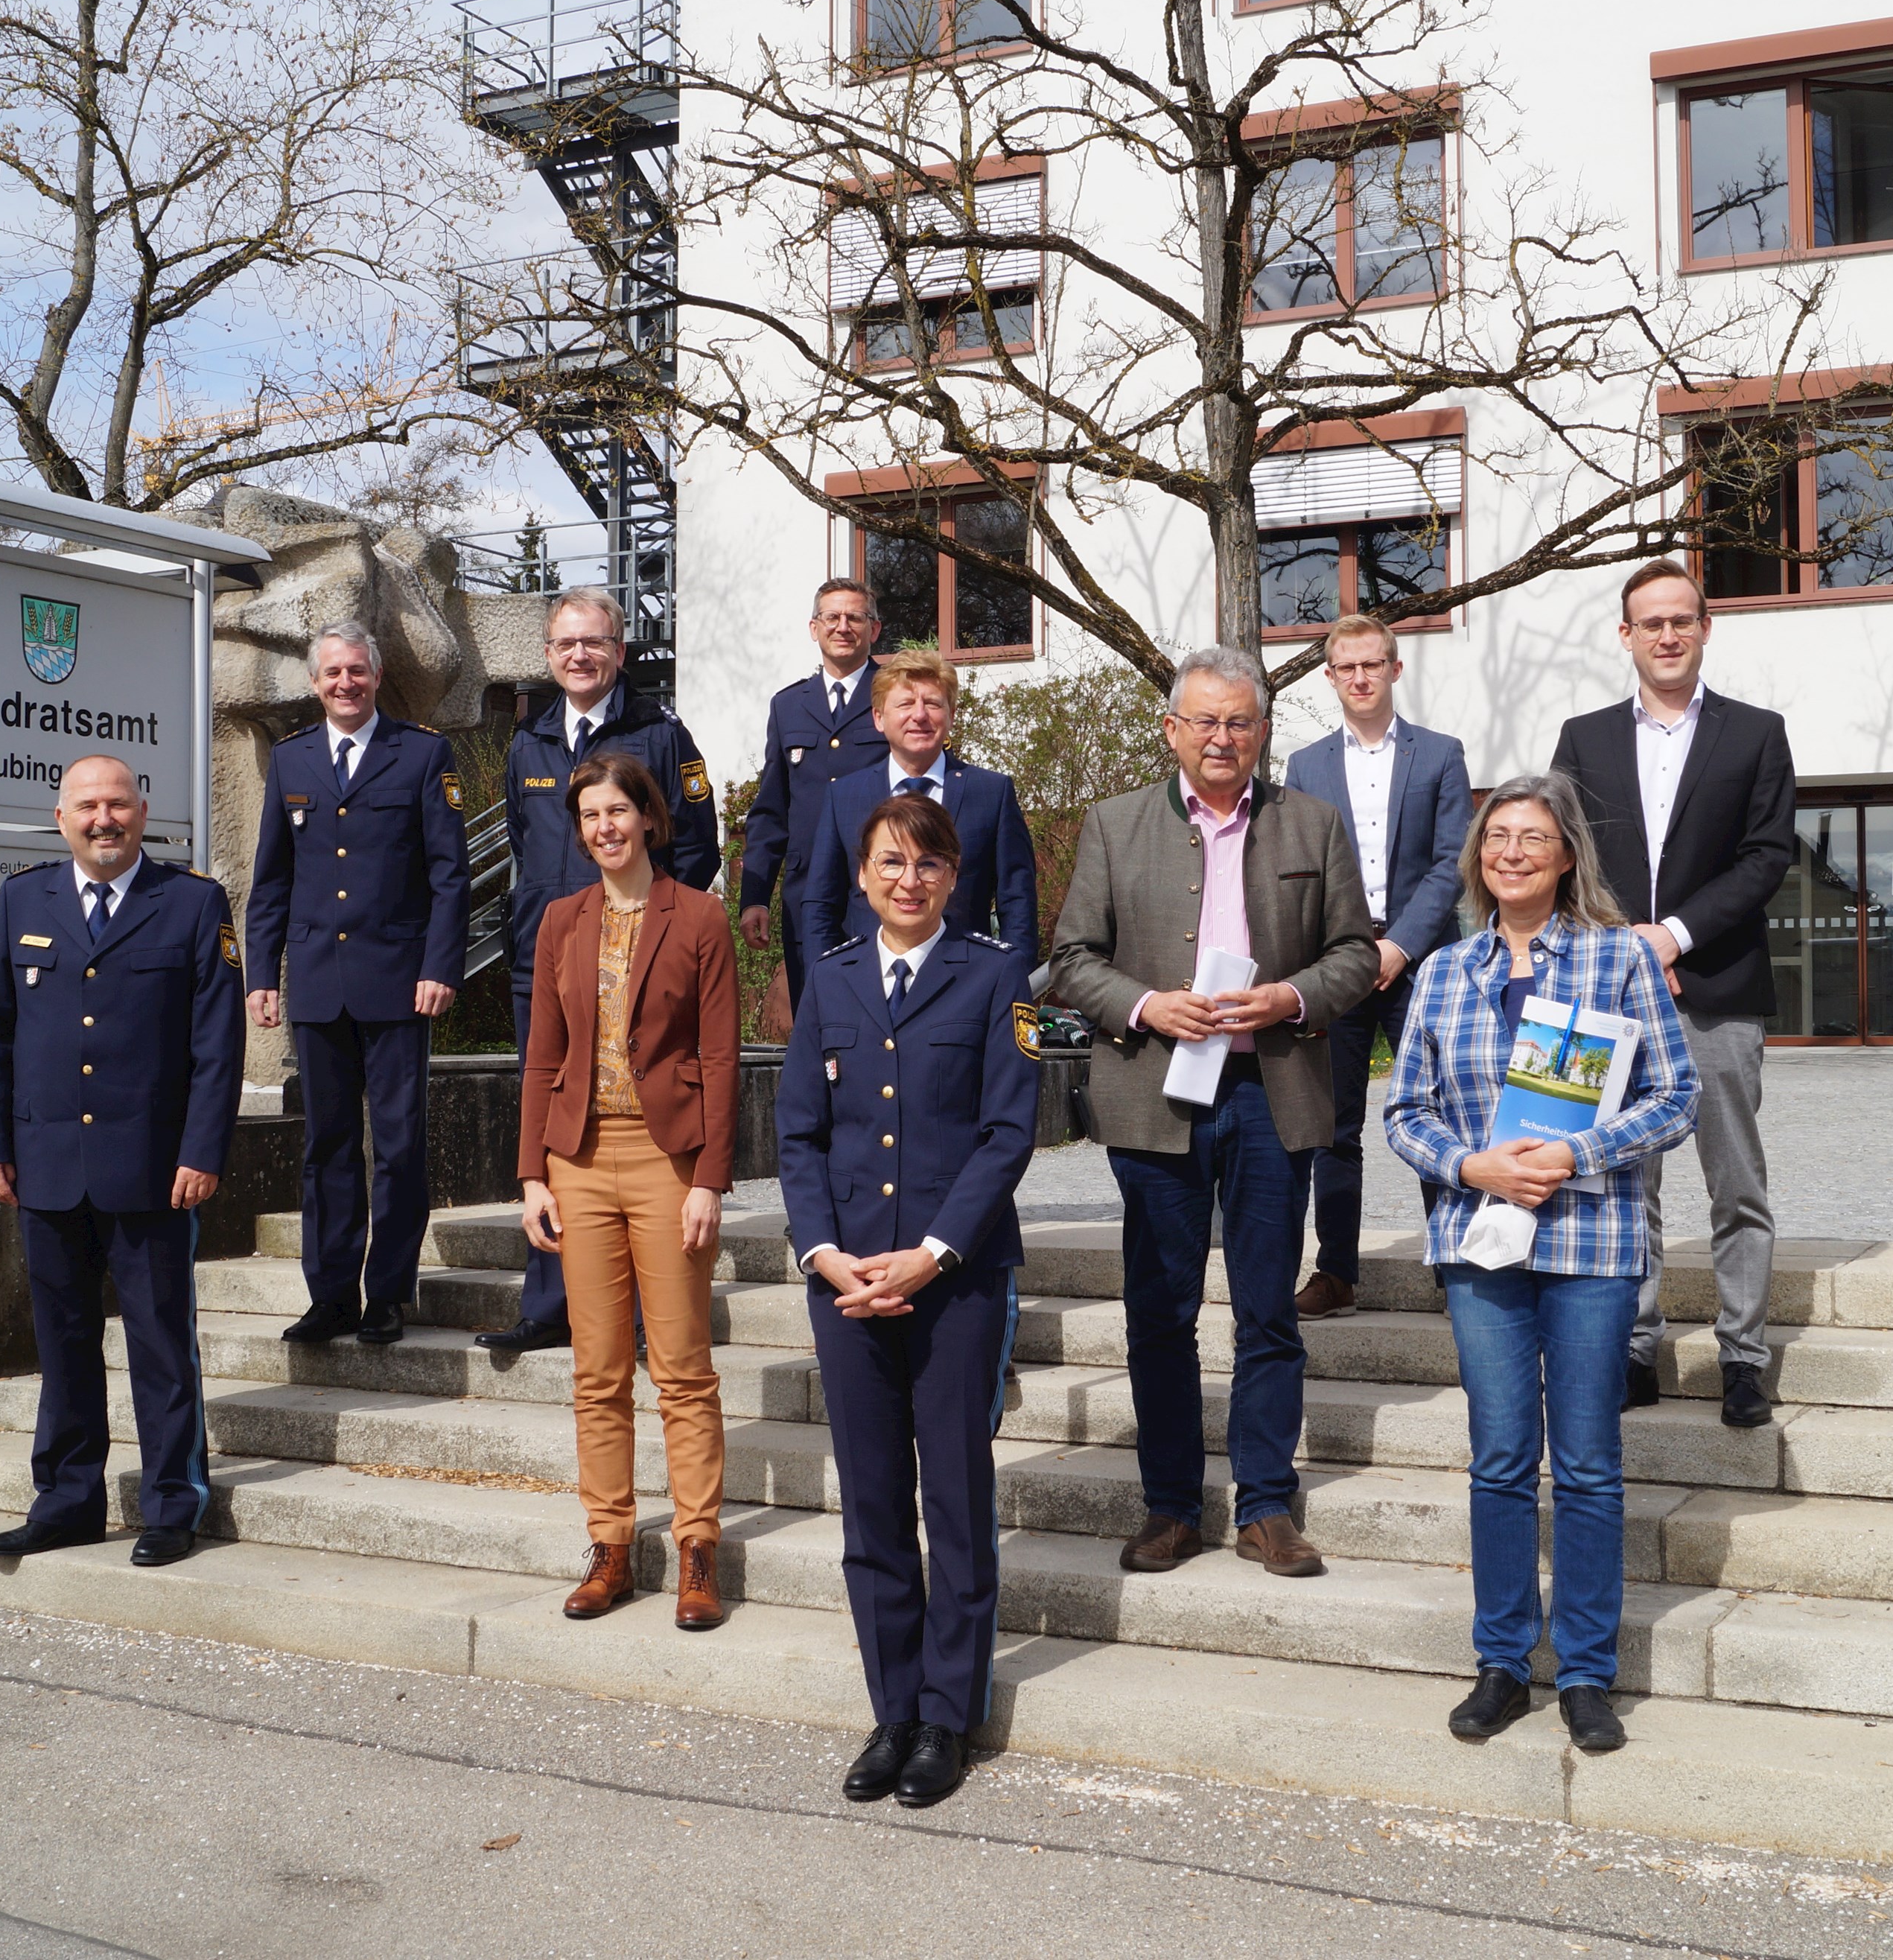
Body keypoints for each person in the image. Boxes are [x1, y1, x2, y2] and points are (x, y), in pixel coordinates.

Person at [1047, 646, 1378, 1577]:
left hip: (1273, 1092)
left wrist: (1291, 998)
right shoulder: (1114, 826)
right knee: (1160, 1311)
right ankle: (1171, 1507)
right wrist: (1148, 1004)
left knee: (1269, 1309)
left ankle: (1267, 1506)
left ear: (1263, 732)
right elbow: (1071, 957)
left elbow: (1356, 953)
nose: (1222, 737)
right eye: (1205, 721)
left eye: (1239, 721)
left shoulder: (1313, 825)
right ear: (1172, 730)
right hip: (1157, 1098)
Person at [1384, 773, 1696, 1756]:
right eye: (1497, 836)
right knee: (1502, 1460)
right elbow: (1404, 1110)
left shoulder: (1617, 960)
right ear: (1479, 855)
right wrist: (1469, 1161)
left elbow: (1676, 1094)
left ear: (1568, 857)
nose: (1512, 851)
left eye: (1535, 837)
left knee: (1592, 1466)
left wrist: (1579, 1151)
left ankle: (1590, 1670)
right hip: (1482, 1242)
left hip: (1591, 1235)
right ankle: (1503, 1659)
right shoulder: (1442, 972)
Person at [778, 792, 1040, 1810]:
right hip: (846, 1284)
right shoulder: (834, 980)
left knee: (956, 1501)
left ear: (953, 875)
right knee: (875, 1502)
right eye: (891, 861)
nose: (909, 878)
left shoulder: (996, 974)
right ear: (861, 873)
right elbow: (798, 1132)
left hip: (955, 1279)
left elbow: (1008, 1131)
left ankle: (948, 1713)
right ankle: (892, 1706)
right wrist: (825, 1252)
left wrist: (931, 1253)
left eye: (928, 863)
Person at [0, 755, 244, 1569]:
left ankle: (171, 1504)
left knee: (160, 1343)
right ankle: (67, 1501)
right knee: (63, 1344)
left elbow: (216, 1047)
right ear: (61, 819)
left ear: (142, 811)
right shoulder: (24, 899)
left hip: (154, 1169)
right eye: (87, 807)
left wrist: (201, 1150)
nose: (103, 820)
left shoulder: (191, 903)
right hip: (45, 1163)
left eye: (117, 804)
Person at [1549, 560, 1795, 1428]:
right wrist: (1619, 944)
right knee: (1626, 1184)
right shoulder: (1581, 739)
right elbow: (1558, 855)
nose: (1665, 635)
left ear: (1703, 628)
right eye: (1648, 622)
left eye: (1680, 620)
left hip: (1716, 987)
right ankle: (1635, 1347)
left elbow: (1767, 857)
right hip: (1609, 994)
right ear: (1625, 636)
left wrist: (1675, 934)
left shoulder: (1755, 733)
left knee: (1736, 1184)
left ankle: (1742, 1356)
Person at [517, 751, 741, 1632]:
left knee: (682, 1369)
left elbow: (720, 1058)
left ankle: (697, 1551)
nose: (604, 828)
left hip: (667, 1158)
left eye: (618, 812)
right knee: (597, 1372)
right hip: (577, 1155)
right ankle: (610, 1547)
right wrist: (532, 1171)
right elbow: (541, 1052)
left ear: (648, 817)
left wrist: (710, 1181)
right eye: (589, 817)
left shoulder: (699, 918)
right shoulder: (558, 920)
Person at [479, 588, 723, 1361]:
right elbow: (527, 843)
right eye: (564, 645)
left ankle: (656, 1305)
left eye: (594, 642)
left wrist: (655, 933)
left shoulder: (661, 733)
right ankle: (550, 1301)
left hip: (640, 962)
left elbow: (699, 846)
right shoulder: (530, 742)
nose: (578, 656)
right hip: (546, 960)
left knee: (647, 1117)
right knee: (558, 1124)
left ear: (620, 651)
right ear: (548, 656)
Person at [241, 622, 471, 1349]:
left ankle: (388, 1294)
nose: (345, 683)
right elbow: (271, 877)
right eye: (333, 673)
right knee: (328, 1146)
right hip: (316, 983)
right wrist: (261, 973)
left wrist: (440, 966)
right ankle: (332, 1295)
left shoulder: (424, 753)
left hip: (400, 983)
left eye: (357, 672)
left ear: (375, 678)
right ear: (316, 683)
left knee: (399, 1145)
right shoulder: (293, 760)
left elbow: (449, 875)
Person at [1279, 612, 1473, 1316]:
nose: (1360, 677)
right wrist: (1352, 953)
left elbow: (1454, 862)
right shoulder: (1305, 766)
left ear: (1394, 669)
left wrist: (1397, 946)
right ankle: (1336, 1272)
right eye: (1346, 667)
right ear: (1329, 677)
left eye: (1372, 664)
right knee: (1333, 1126)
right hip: (1338, 964)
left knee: (1442, 1116)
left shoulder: (1442, 754)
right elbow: (1298, 870)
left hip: (1420, 962)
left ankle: (1457, 1267)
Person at [795, 648, 1037, 965]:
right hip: (867, 988)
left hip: (966, 984)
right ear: (879, 718)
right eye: (906, 704)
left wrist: (1013, 982)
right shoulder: (844, 796)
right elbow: (821, 906)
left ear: (951, 714)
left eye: (933, 704)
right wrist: (827, 985)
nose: (919, 715)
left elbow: (1017, 903)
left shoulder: (991, 792)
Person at [739, 579, 891, 1004]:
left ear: (874, 630)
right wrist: (756, 898)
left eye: (855, 618)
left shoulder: (896, 695)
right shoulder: (788, 706)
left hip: (882, 890)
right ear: (814, 628)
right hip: (807, 898)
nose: (843, 627)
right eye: (832, 617)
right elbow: (772, 810)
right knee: (817, 1016)